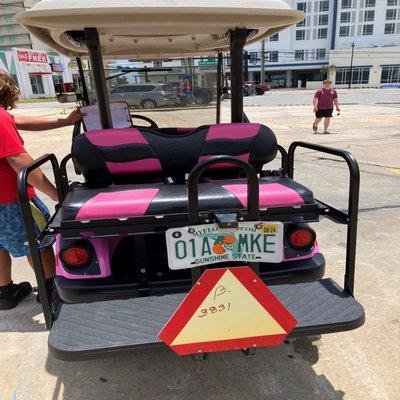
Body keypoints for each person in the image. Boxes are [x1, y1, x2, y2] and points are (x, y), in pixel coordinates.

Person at [0, 70, 83, 310]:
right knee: (38, 241)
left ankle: (5, 291)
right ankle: (49, 292)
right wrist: (56, 193)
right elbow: (17, 159)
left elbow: (18, 121)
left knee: (2, 244)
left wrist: (65, 121)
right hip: (10, 200)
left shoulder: (4, 118)